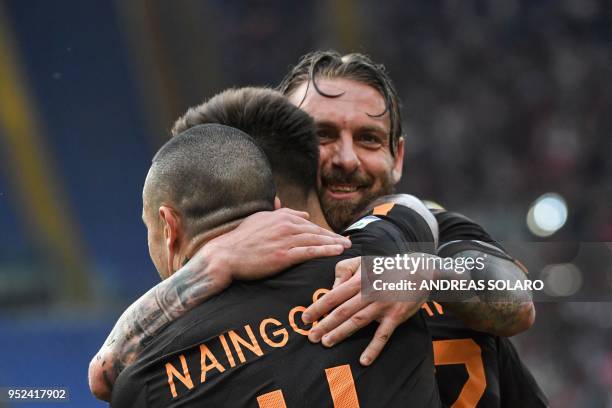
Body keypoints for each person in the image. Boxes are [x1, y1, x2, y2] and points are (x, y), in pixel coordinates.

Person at [110, 91, 441, 406]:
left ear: (169, 228)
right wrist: (429, 273)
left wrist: (210, 265)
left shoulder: (151, 378)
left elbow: (103, 373)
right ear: (277, 208)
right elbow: (412, 210)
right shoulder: (378, 262)